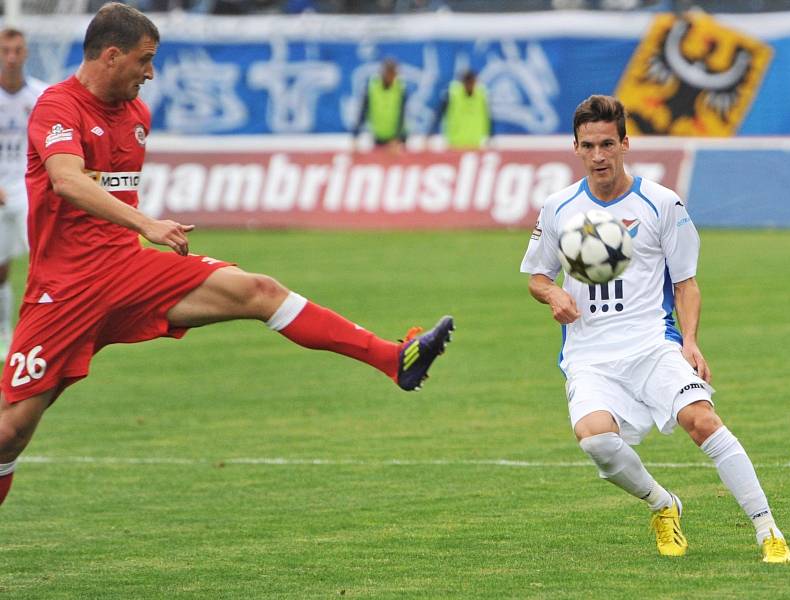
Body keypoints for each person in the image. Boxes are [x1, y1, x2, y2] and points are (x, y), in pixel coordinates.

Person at [0, 2, 454, 508]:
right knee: (10, 433)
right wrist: (148, 224)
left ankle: (394, 360)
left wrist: (140, 235)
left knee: (259, 290)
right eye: (144, 60)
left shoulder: (136, 116)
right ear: (111, 55)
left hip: (130, 273)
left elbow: (108, 196)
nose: (151, 73)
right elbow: (65, 181)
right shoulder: (57, 106)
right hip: (65, 290)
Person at [519, 94, 790, 563]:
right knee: (597, 441)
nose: (599, 155)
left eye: (608, 143)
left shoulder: (662, 203)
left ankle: (768, 529)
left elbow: (686, 285)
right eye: (589, 146)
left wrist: (689, 341)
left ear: (626, 143)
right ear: (576, 148)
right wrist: (554, 294)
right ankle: (663, 503)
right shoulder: (558, 207)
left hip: (652, 343)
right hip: (590, 355)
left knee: (702, 419)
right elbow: (537, 277)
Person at [0, 29, 47, 363]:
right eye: (5, 51)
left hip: (30, 188)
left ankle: (42, 335)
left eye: (17, 50)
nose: (12, 57)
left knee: (44, 262)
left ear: (26, 53)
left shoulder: (42, 95)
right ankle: (5, 334)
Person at [427, 70, 492, 150]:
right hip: (455, 143)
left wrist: (490, 135)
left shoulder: (481, 94)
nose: (470, 85)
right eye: (468, 82)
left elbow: (487, 116)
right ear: (463, 82)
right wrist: (431, 133)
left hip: (475, 143)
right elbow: (439, 114)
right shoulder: (453, 94)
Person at [352, 58, 407, 150]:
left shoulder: (400, 88)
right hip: (378, 135)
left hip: (396, 137)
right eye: (390, 73)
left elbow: (402, 114)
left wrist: (397, 137)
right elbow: (364, 111)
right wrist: (356, 134)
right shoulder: (372, 87)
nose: (392, 76)